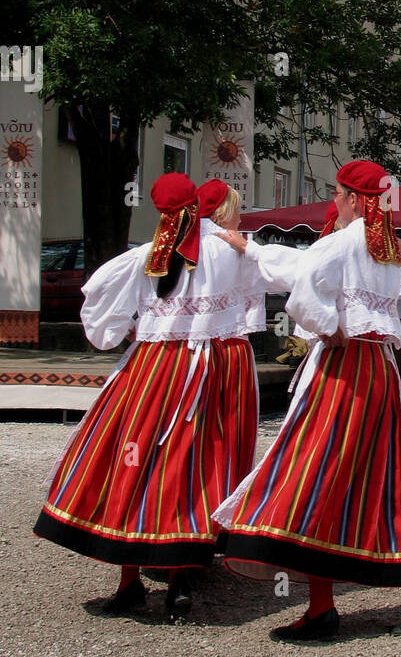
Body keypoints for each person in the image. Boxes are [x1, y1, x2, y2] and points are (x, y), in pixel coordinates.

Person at [34, 174, 298, 619]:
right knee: (200, 463)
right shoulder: (232, 248)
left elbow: (97, 303)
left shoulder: (148, 252)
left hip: (157, 367)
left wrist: (124, 330)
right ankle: (180, 574)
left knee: (136, 458)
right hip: (221, 367)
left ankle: (130, 578)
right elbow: (296, 273)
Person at [215, 160, 401, 641]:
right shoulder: (386, 248)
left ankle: (326, 606)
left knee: (317, 469)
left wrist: (328, 325)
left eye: (337, 194)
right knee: (383, 475)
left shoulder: (342, 242)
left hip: (346, 368)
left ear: (354, 199)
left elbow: (301, 296)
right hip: (382, 369)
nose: (332, 202)